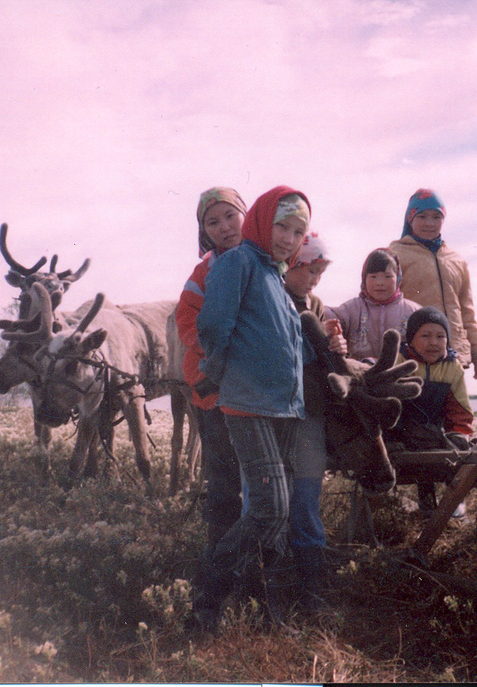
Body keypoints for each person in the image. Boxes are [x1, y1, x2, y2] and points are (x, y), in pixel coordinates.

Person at [191, 185, 313, 632]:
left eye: (298, 230)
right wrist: (217, 372)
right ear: (262, 220)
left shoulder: (275, 277)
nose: (288, 236)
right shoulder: (238, 261)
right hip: (249, 404)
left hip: (283, 409)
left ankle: (268, 613)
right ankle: (205, 599)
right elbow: (213, 324)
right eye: (281, 225)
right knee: (269, 510)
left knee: (276, 521)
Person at [175, 187, 248, 555]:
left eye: (230, 216)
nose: (224, 227)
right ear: (204, 230)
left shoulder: (268, 262)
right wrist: (211, 345)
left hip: (256, 394)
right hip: (213, 393)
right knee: (222, 478)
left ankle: (257, 553)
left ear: (247, 215)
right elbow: (186, 319)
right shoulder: (203, 272)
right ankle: (220, 550)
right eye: (212, 222)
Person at [281, 230, 345, 609]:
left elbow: (326, 357)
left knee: (306, 497)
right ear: (290, 265)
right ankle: (265, 576)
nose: (316, 277)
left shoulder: (316, 304)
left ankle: (309, 586)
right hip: (276, 415)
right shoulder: (273, 298)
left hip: (311, 415)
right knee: (269, 498)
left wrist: (336, 346)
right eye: (310, 269)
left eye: (321, 270)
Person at [389, 189, 477, 380]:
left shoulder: (456, 260)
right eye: (422, 216)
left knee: (454, 408)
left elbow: (466, 310)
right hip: (411, 355)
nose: (429, 223)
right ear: (410, 218)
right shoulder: (394, 254)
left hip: (454, 352)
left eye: (436, 217)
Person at [387, 306, 475, 513]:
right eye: (425, 335)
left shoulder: (452, 368)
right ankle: (387, 504)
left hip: (432, 434)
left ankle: (452, 501)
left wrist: (460, 436)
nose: (433, 342)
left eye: (440, 336)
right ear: (411, 339)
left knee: (455, 448)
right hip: (397, 432)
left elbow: (460, 410)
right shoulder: (398, 360)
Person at [328, 247, 420, 362]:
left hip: (400, 375)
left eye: (387, 277)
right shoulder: (351, 309)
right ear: (364, 279)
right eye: (373, 277)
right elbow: (328, 316)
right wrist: (331, 331)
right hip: (360, 375)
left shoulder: (413, 311)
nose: (380, 283)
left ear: (398, 278)